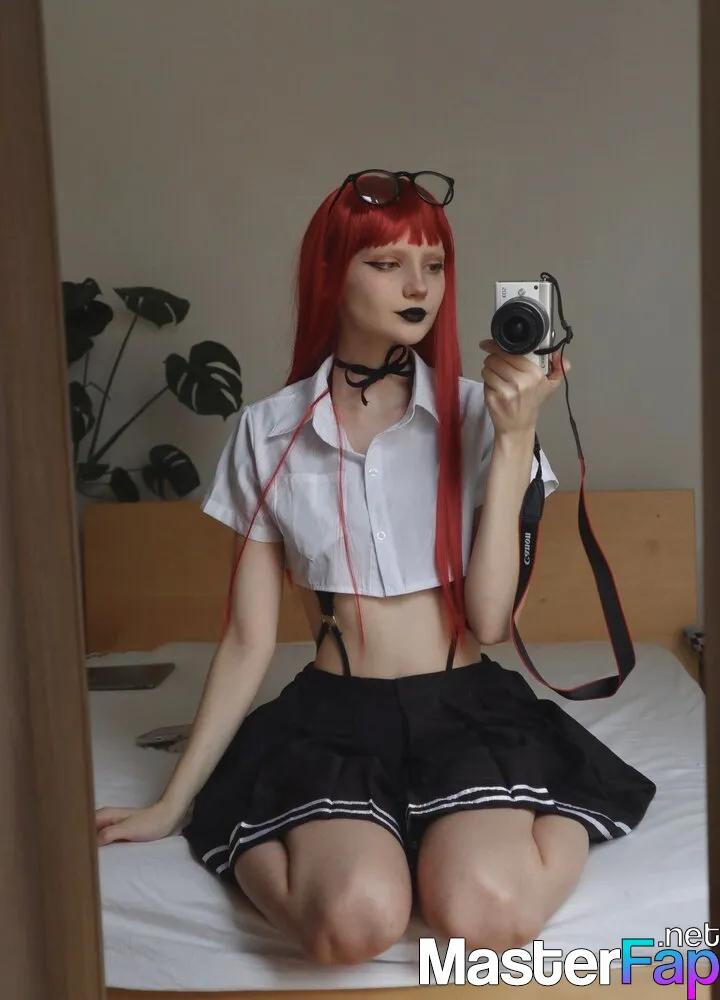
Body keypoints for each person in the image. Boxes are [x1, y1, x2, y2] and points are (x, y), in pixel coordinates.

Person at [95, 170, 656, 966]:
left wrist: (516, 440)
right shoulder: (269, 432)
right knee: (353, 921)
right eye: (388, 263)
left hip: (464, 707)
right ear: (333, 272)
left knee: (486, 911)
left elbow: (490, 620)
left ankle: (559, 796)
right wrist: (173, 801)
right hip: (334, 719)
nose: (418, 286)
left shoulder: (480, 411)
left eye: (434, 265)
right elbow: (250, 641)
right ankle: (252, 818)